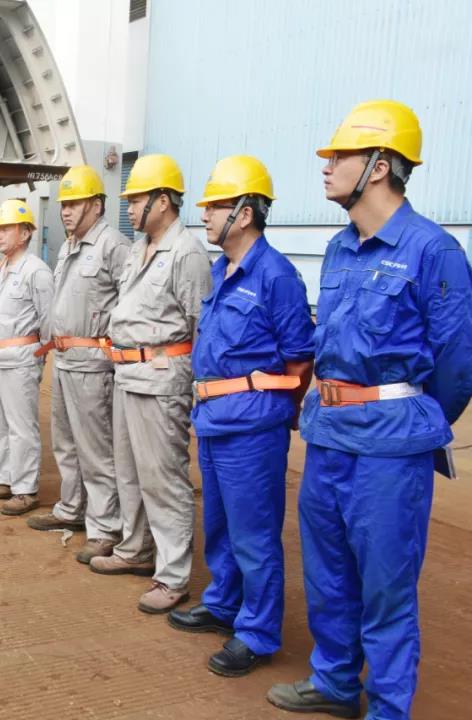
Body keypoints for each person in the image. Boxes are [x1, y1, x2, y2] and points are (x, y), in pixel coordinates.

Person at [267, 100, 472, 720]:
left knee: (386, 586)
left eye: (340, 156)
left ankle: (387, 707)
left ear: (380, 166)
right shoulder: (338, 247)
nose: (326, 166)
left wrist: (407, 422)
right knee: (328, 574)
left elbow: (455, 366)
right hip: (329, 437)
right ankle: (334, 681)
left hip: (388, 450)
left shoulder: (433, 250)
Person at [167, 156, 314, 678]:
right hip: (214, 419)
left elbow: (299, 357)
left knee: (254, 534)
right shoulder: (219, 270)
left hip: (252, 427)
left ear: (245, 213)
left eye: (215, 206)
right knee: (221, 526)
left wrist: (277, 413)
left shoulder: (276, 276)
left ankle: (257, 632)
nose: (204, 214)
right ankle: (224, 603)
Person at [89, 154, 212, 615]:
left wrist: (194, 388)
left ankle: (173, 575)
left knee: (163, 478)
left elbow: (201, 326)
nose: (130, 209)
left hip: (161, 380)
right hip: (126, 374)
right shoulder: (140, 248)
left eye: (136, 200)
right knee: (129, 472)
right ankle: (136, 547)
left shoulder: (186, 253)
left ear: (163, 201)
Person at [25, 166, 131, 566]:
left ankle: (104, 528)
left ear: (96, 205)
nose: (66, 211)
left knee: (95, 450)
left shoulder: (113, 246)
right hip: (65, 360)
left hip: (93, 365)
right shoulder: (69, 246)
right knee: (65, 442)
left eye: (75, 204)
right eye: (64, 204)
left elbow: (129, 302)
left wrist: (111, 348)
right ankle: (71, 508)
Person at [0, 199, 54, 516]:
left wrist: (36, 357)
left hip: (21, 360)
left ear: (25, 233)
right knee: (2, 425)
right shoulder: (4, 269)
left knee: (22, 428)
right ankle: (7, 480)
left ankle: (25, 490)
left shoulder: (36, 271)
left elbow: (49, 322)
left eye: (6, 228)